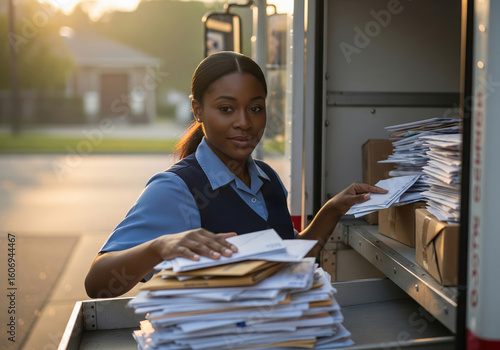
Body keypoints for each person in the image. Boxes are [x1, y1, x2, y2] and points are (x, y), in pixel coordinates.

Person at [85, 52, 387, 298]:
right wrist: (158, 246)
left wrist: (332, 209)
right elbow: (97, 283)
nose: (244, 122)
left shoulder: (268, 179)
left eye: (255, 108)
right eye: (226, 108)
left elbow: (292, 258)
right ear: (198, 110)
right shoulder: (176, 188)